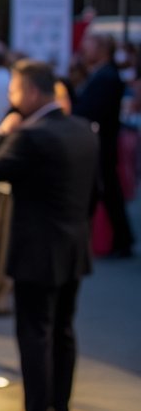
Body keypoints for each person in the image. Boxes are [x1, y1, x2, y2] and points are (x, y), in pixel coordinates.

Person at [0, 60, 98, 411]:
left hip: (37, 253)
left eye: (13, 90)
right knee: (63, 332)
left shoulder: (30, 136)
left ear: (30, 93)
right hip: (73, 247)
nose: (10, 97)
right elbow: (96, 193)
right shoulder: (83, 130)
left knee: (35, 337)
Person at [73, 33, 134, 257]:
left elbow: (89, 110)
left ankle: (120, 241)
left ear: (101, 49)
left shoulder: (106, 76)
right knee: (106, 193)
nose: (83, 51)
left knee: (106, 193)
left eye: (87, 47)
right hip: (100, 144)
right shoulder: (100, 74)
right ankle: (119, 240)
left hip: (101, 145)